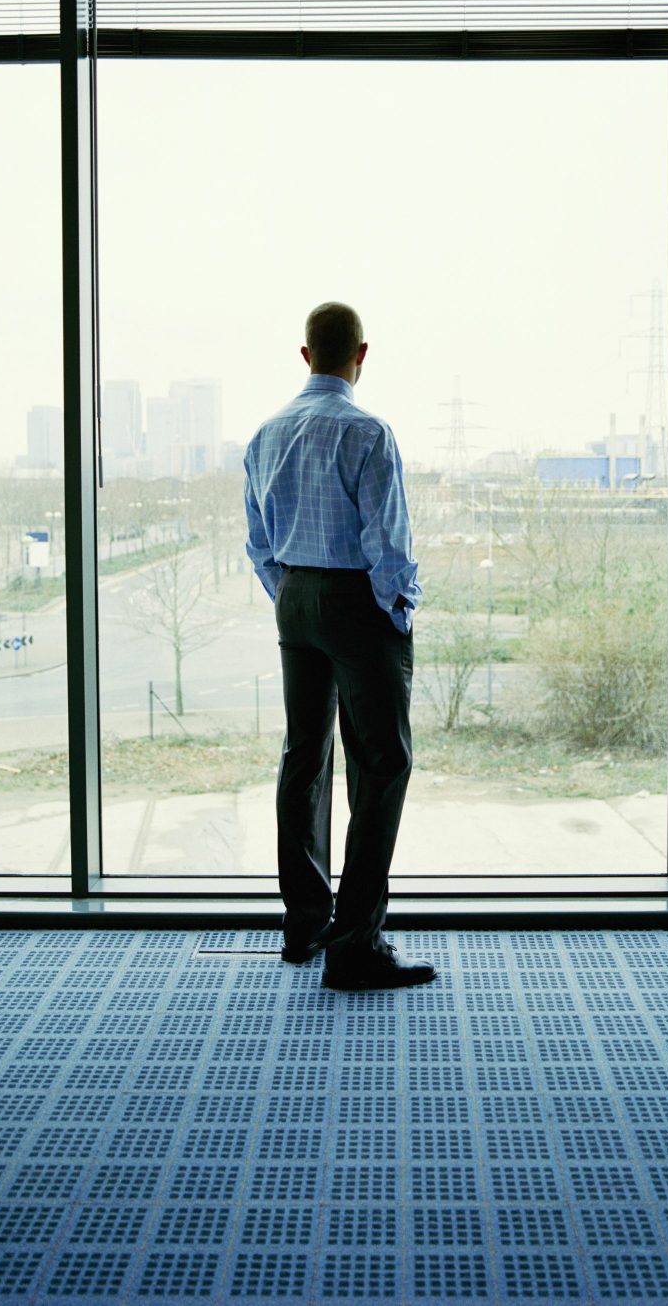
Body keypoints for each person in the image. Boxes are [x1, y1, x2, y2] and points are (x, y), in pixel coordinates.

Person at [243, 302, 434, 991]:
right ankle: (355, 944)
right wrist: (398, 607)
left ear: (305, 355)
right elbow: (389, 541)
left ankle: (304, 925)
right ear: (362, 354)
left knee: (304, 757)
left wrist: (293, 594)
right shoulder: (367, 432)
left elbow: (258, 542)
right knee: (382, 763)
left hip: (295, 597)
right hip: (357, 600)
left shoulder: (266, 434)